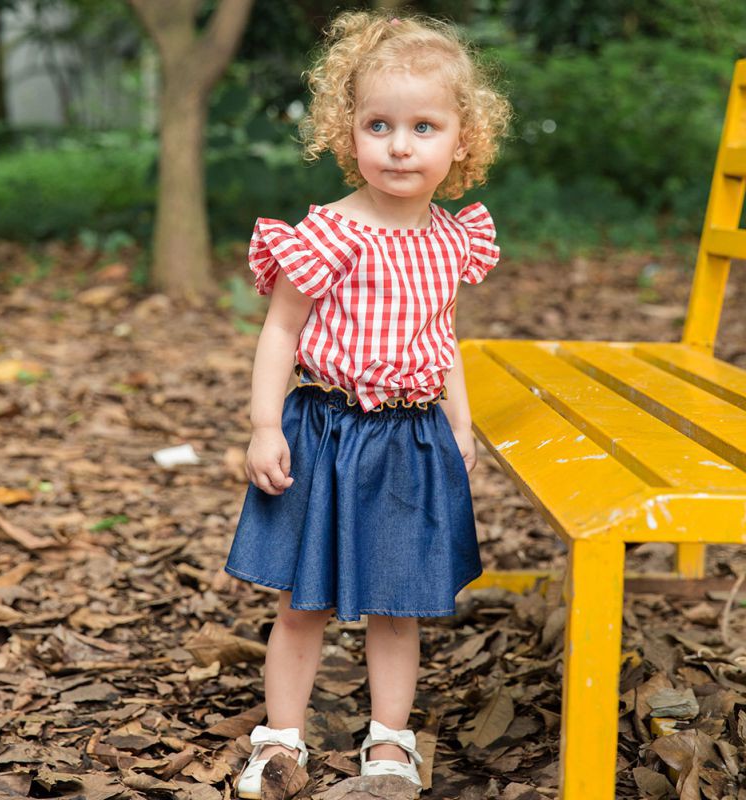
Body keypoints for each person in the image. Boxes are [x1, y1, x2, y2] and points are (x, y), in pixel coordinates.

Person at [224, 9, 510, 799]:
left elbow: (441, 334)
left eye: (424, 126)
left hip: (408, 439)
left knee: (396, 603)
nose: (400, 144)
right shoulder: (328, 234)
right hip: (326, 429)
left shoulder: (450, 238)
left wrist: (458, 420)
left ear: (462, 140)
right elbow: (281, 331)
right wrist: (262, 425)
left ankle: (390, 744)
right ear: (346, 131)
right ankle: (279, 741)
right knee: (303, 600)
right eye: (379, 124)